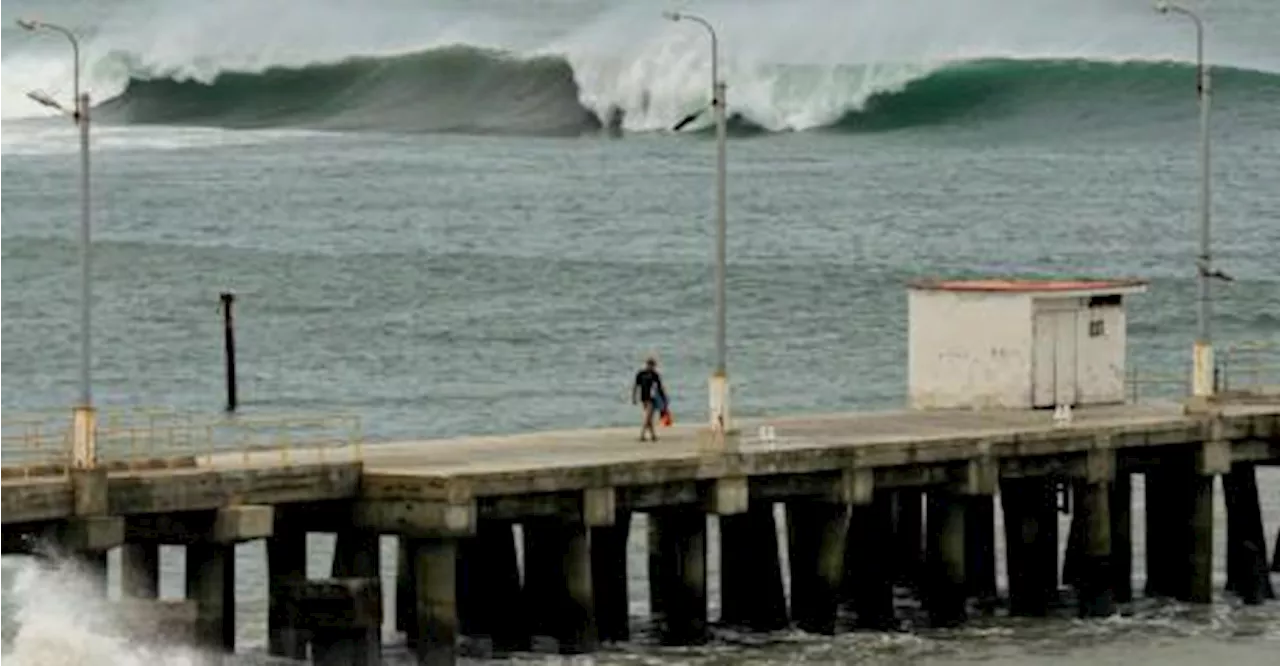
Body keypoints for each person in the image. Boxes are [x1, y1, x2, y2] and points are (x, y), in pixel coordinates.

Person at [632, 357, 668, 441]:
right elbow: (636, 386)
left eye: (652, 366)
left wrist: (664, 398)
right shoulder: (641, 374)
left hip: (652, 398)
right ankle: (649, 436)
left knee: (649, 416)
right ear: (647, 364)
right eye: (650, 365)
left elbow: (660, 387)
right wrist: (634, 397)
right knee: (649, 417)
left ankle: (646, 436)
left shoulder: (655, 375)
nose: (651, 367)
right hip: (644, 398)